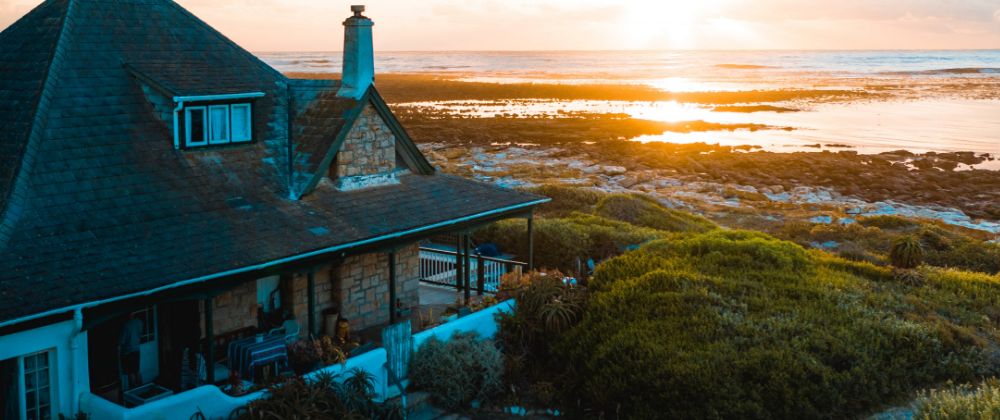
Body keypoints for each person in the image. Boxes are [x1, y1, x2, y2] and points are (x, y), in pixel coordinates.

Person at [119, 312, 143, 389]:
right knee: (137, 370)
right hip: (137, 350)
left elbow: (122, 341)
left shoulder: (126, 325)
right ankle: (141, 388)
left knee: (131, 372)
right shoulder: (139, 322)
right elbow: (140, 334)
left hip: (128, 352)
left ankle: (133, 390)